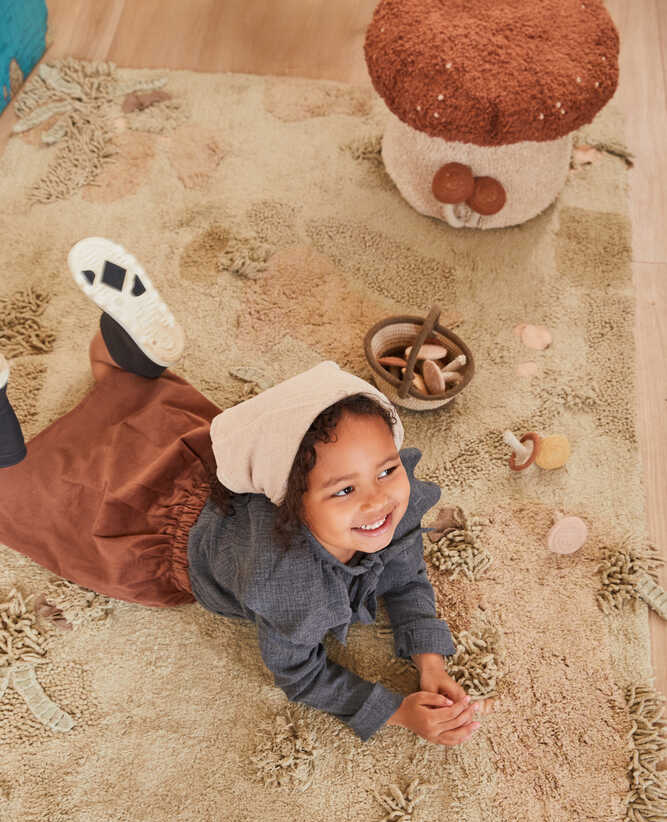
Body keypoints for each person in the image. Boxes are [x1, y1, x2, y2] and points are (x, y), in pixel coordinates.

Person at [0, 238, 488, 745]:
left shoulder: (388, 507)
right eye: (344, 490)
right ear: (289, 501)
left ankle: (127, 347)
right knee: (26, 498)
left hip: (200, 463)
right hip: (158, 529)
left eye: (387, 470)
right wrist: (396, 712)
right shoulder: (291, 587)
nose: (377, 500)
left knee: (128, 387)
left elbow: (405, 574)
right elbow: (300, 674)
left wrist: (429, 660)